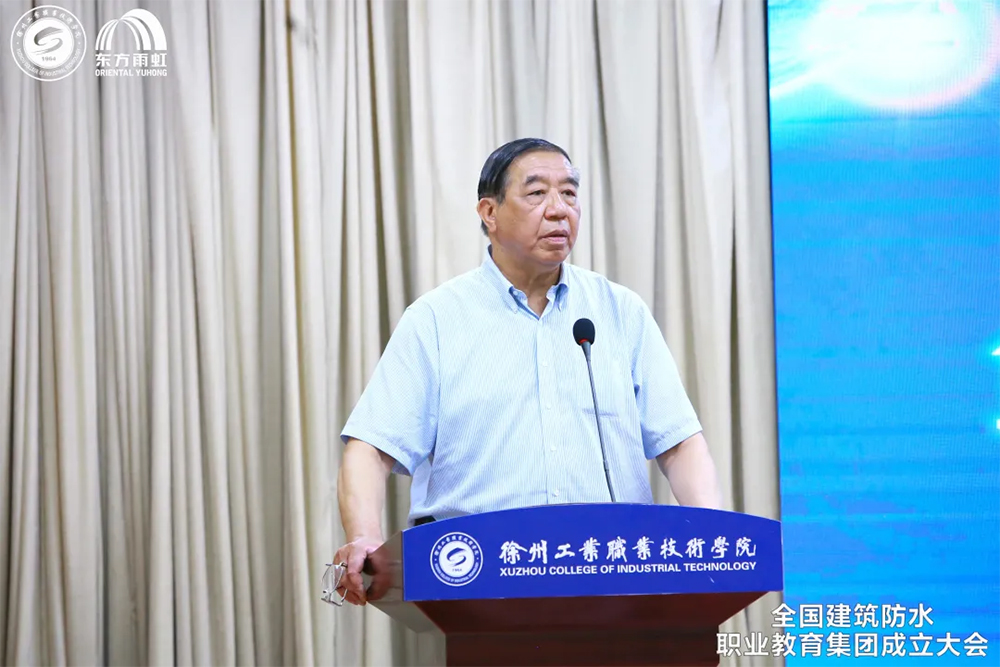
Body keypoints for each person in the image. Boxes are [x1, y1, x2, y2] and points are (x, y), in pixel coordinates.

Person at [333, 138, 722, 605]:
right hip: (478, 583)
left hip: (615, 579)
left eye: (570, 193)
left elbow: (679, 444)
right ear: (489, 213)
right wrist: (365, 537)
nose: (559, 210)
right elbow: (371, 447)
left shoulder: (620, 311)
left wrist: (712, 540)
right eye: (537, 193)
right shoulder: (436, 319)